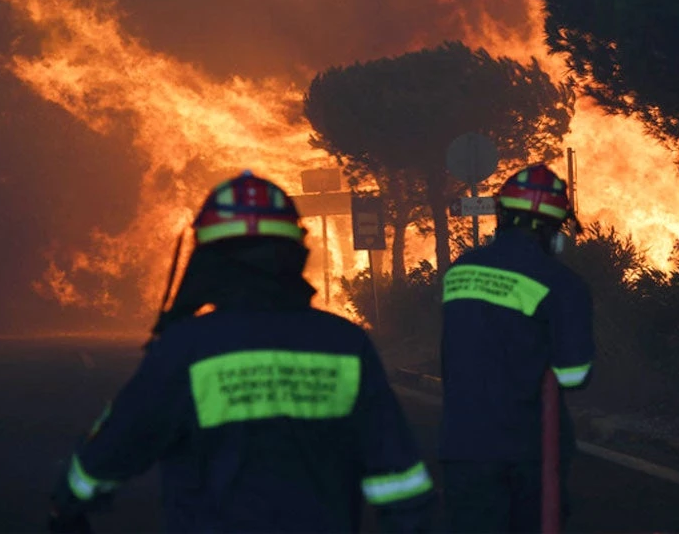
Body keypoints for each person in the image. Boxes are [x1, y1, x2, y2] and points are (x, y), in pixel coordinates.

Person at [47, 171, 434, 533]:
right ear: (293, 253)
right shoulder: (346, 345)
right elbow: (400, 480)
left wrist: (69, 504)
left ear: (209, 260)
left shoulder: (188, 348)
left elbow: (116, 447)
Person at [438, 163, 595, 533]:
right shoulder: (562, 284)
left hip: (461, 443)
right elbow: (575, 375)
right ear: (556, 229)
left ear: (502, 215)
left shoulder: (461, 270)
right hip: (528, 448)